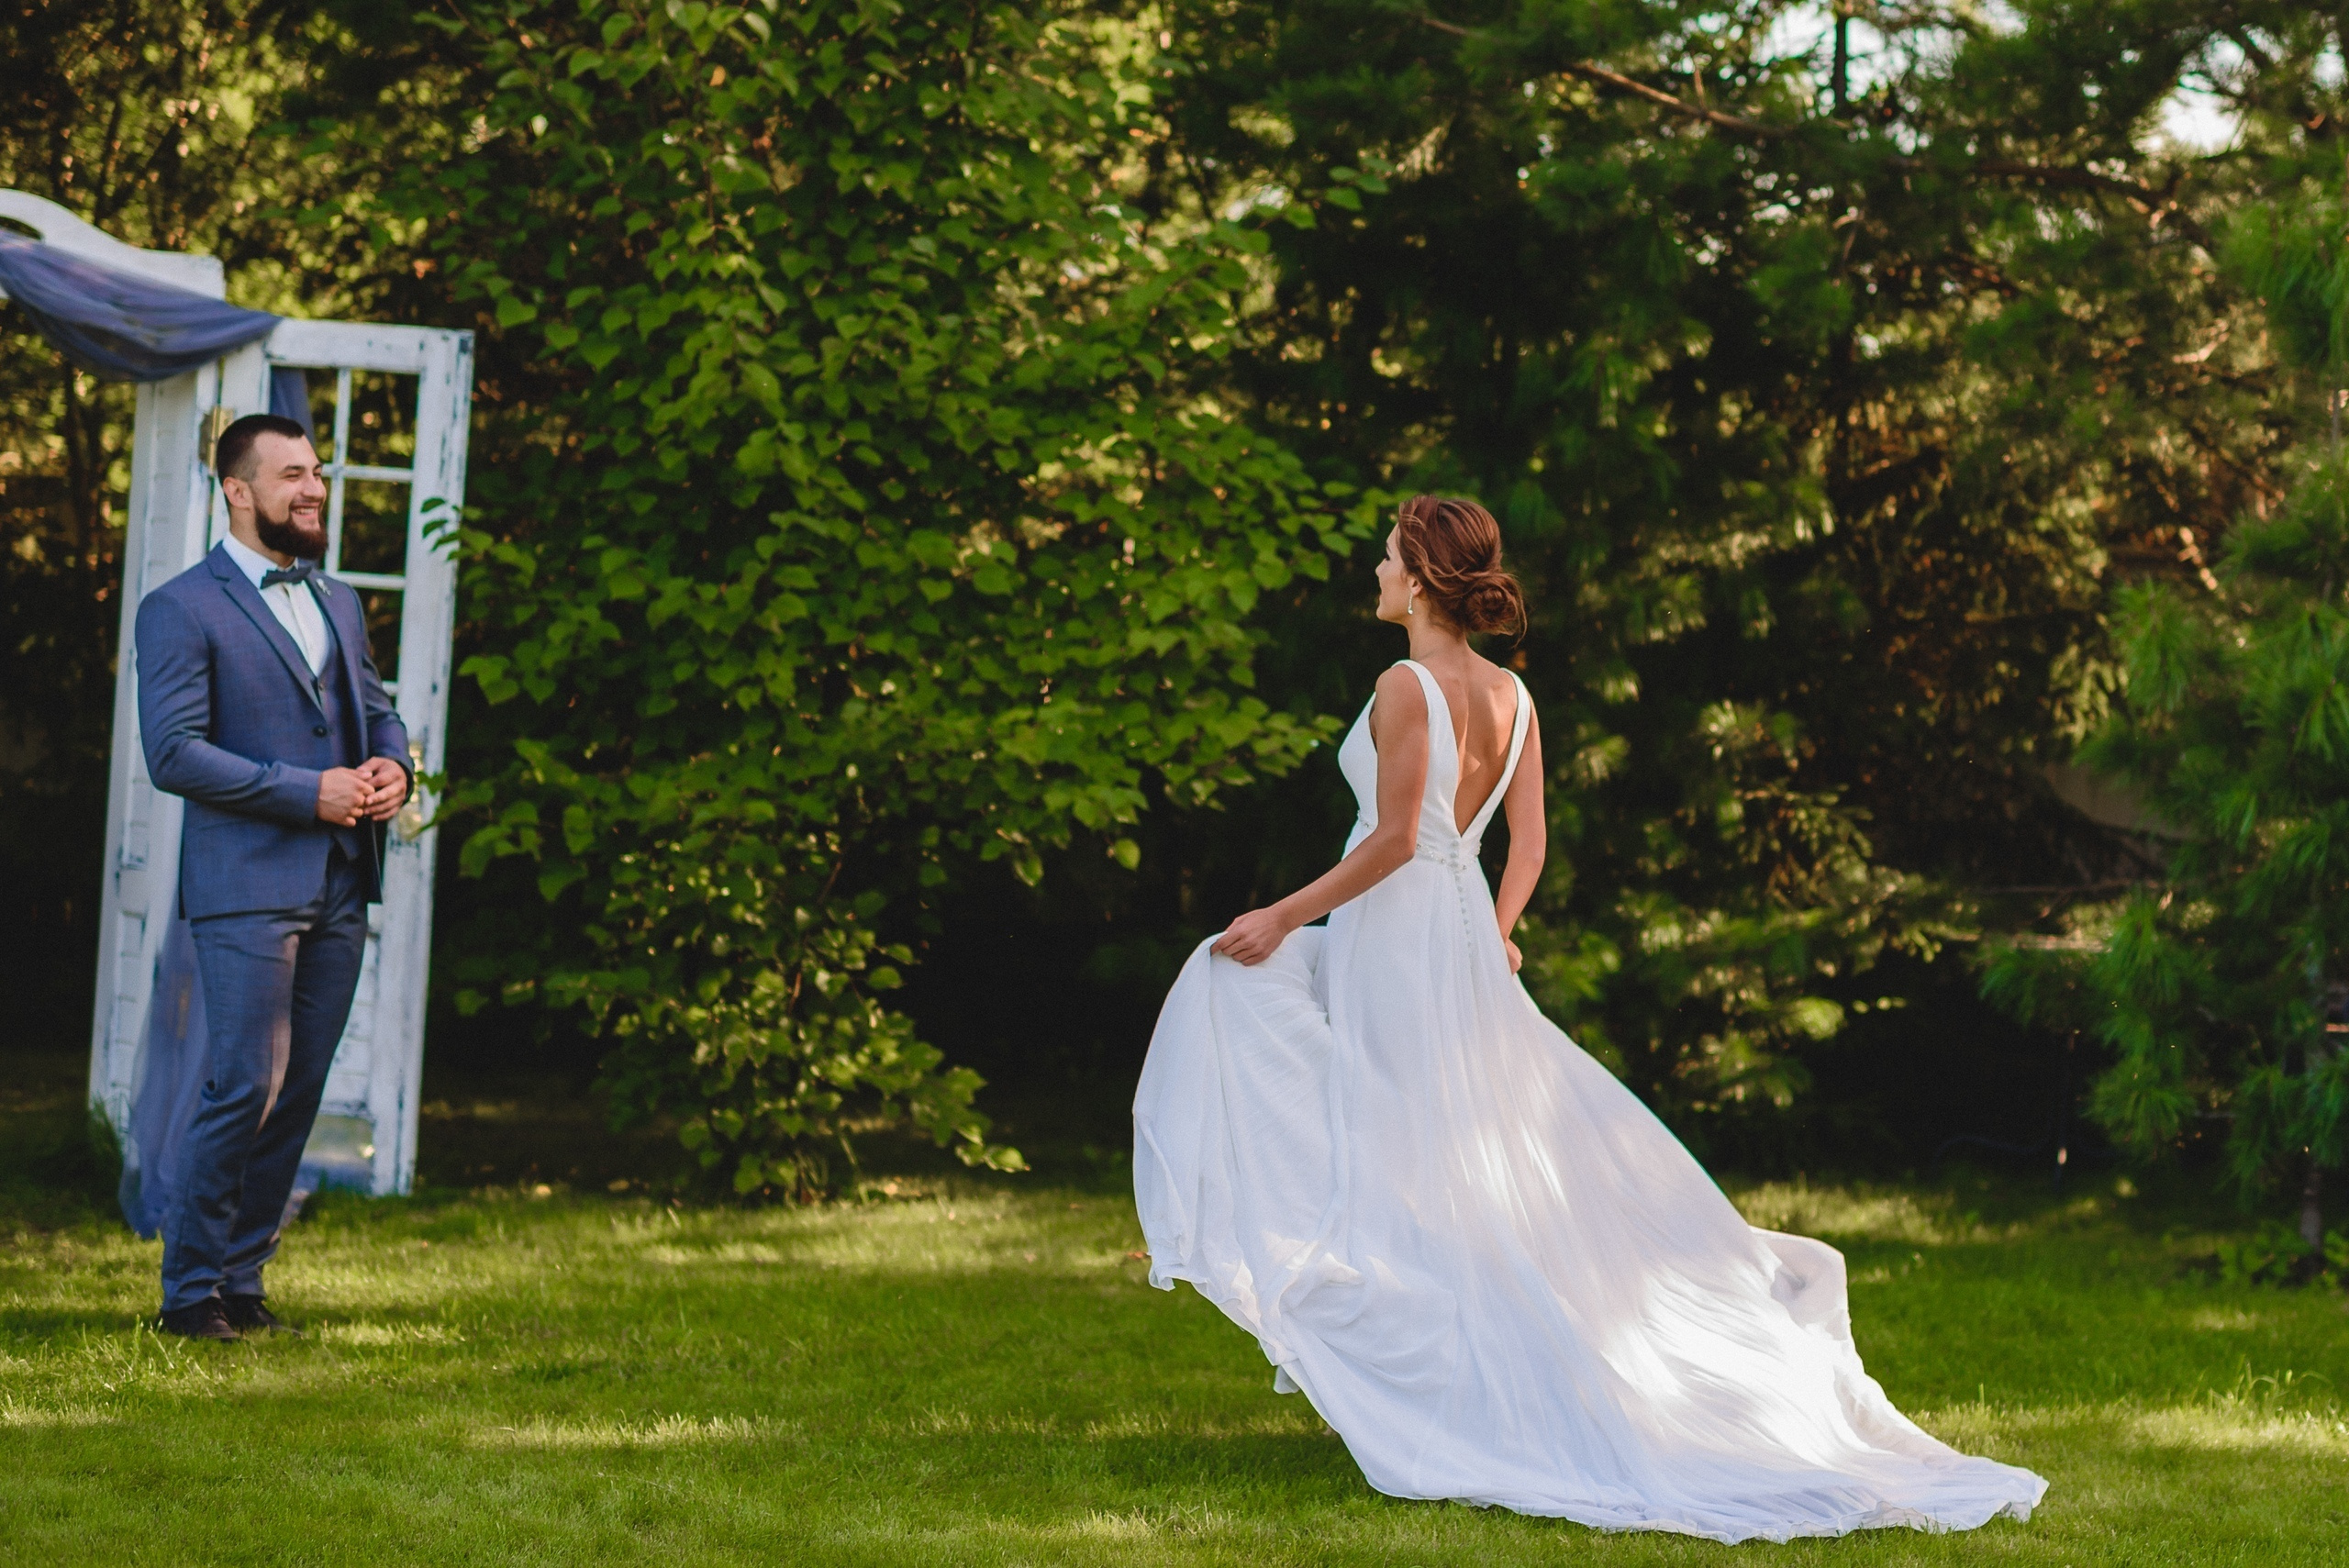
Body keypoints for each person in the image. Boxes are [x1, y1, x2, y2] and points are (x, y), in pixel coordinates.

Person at [1131, 495, 2046, 1541]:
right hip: (1455, 925)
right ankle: (1437, 1347)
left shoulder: (1402, 683)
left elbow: (1390, 840)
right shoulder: (1513, 695)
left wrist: (1282, 912)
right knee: (1438, 1135)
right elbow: (1524, 843)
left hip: (1396, 931)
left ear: (1422, 578)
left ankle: (1422, 1351)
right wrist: (1499, 930)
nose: (1375, 571)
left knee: (1328, 1056)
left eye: (1387, 558)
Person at [135, 413, 411, 1341]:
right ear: (238, 490)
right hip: (246, 882)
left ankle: (242, 1282)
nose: (315, 489)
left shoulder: (338, 598)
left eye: (319, 473)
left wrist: (392, 767)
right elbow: (174, 754)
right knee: (243, 1082)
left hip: (340, 878)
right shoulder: (179, 606)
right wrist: (311, 792)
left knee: (299, 1090)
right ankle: (188, 1293)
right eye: (293, 474)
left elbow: (375, 710)